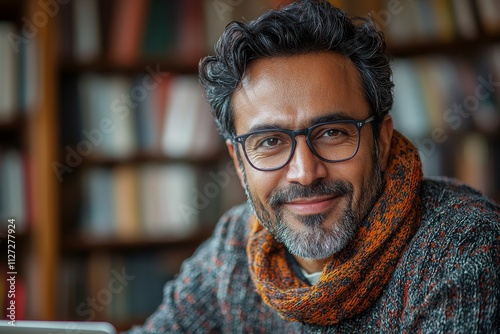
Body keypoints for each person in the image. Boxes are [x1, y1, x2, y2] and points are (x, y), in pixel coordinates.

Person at [127, 0, 500, 332]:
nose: (305, 172)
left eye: (333, 133)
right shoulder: (235, 247)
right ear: (239, 162)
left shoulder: (463, 249)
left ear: (382, 141)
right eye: (270, 142)